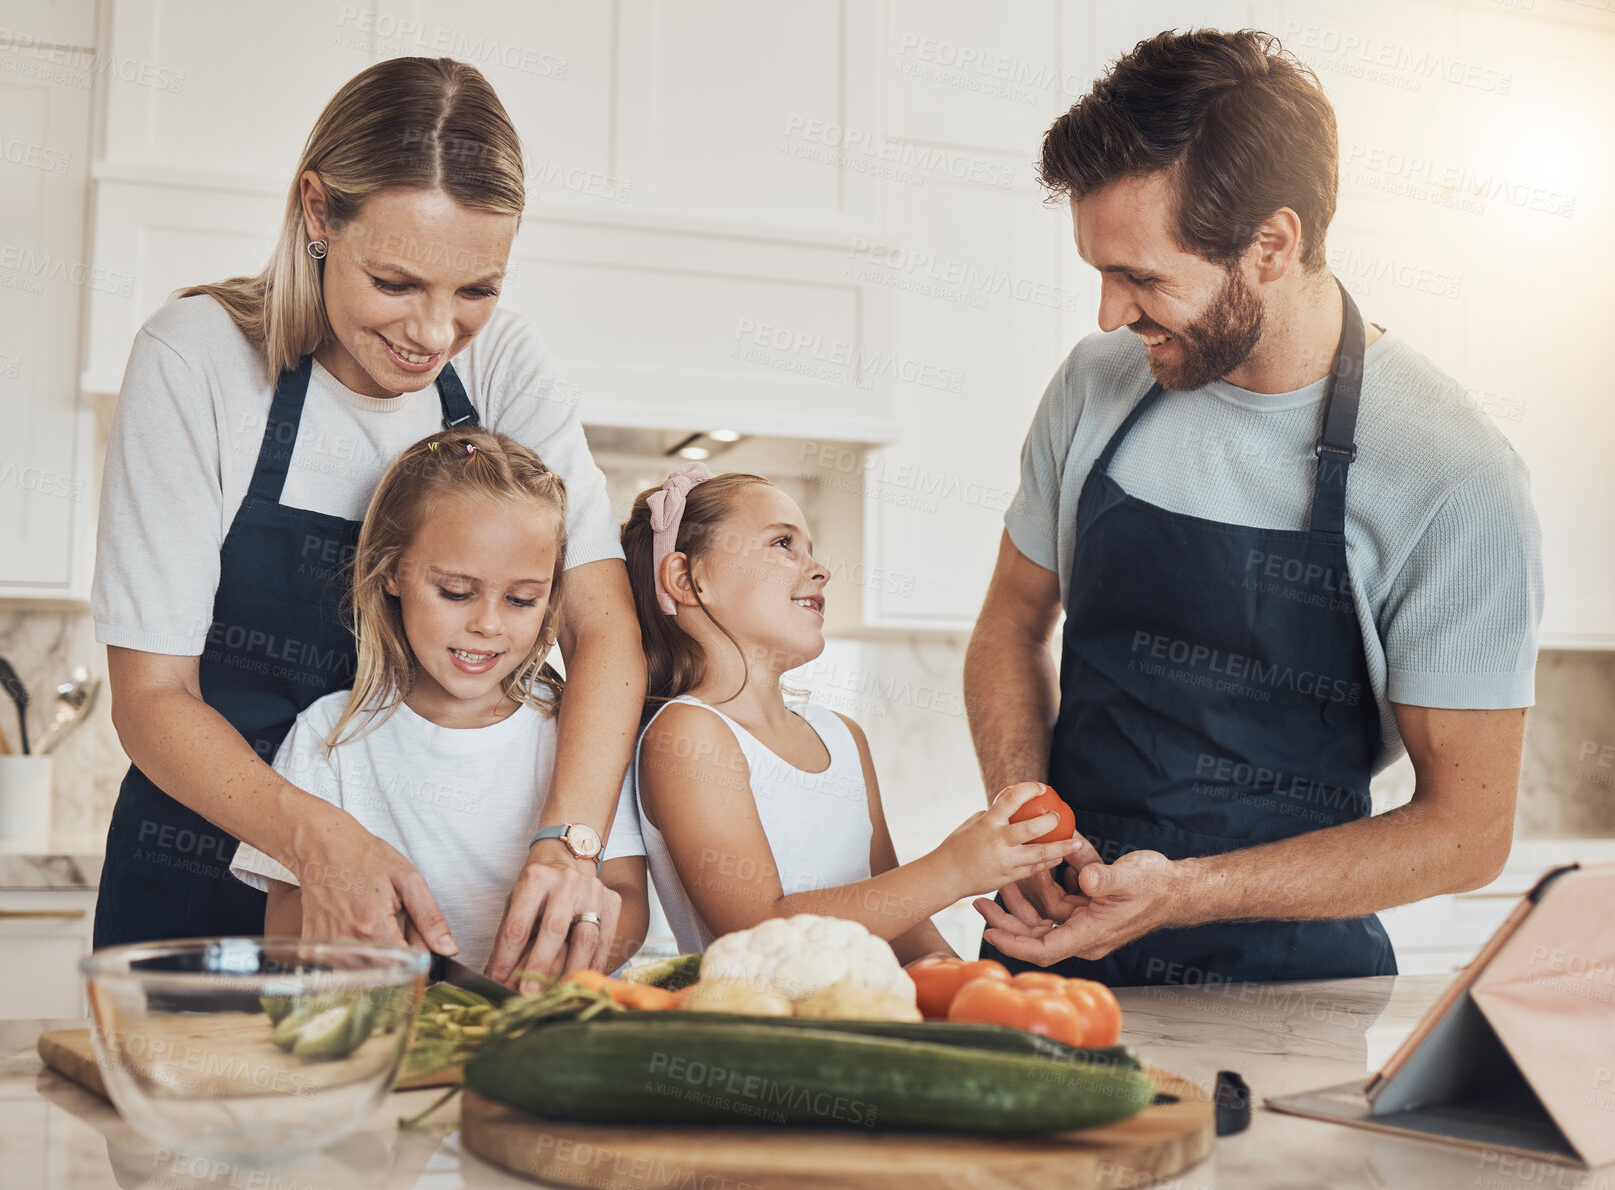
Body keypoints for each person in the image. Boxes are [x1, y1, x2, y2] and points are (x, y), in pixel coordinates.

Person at [965, 29, 1542, 986]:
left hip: (1291, 988)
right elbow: (1009, 624)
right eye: (1099, 271)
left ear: (1272, 243)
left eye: (1141, 277)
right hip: (1044, 961)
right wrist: (1024, 824)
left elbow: (1466, 833)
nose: (1108, 315)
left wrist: (1184, 891)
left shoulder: (1452, 474)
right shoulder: (1096, 384)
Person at [91, 57, 645, 982]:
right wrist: (320, 844)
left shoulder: (504, 365)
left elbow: (605, 628)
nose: (434, 333)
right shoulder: (197, 362)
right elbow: (152, 700)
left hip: (434, 929)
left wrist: (568, 839)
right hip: (200, 889)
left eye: (475, 290)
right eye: (396, 282)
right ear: (318, 211)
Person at [228, 430, 649, 975]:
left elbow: (625, 897)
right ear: (391, 573)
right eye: (456, 591)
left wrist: (564, 966)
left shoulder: (577, 737)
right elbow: (285, 920)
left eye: (522, 599)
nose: (489, 625)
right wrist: (369, 949)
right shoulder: (328, 735)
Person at [620, 465, 1075, 959]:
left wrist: (962, 981)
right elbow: (758, 932)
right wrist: (952, 870)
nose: (820, 568)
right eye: (782, 544)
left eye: (809, 548)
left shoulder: (841, 737)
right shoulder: (690, 732)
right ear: (688, 580)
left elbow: (899, 924)